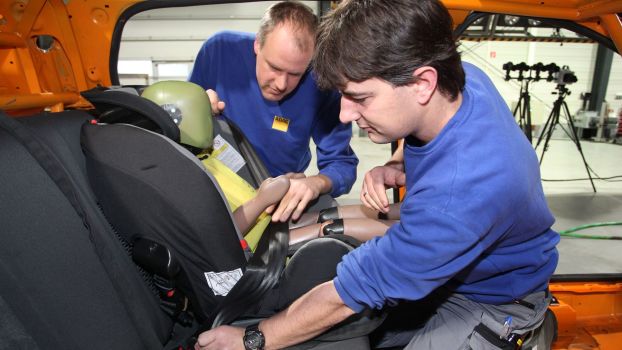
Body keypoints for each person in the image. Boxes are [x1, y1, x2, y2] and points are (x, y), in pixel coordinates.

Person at [195, 0, 560, 349]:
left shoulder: (463, 191)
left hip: (491, 302)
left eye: (361, 98)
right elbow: (426, 132)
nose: (344, 115)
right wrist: (397, 164)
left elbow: (349, 293)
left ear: (422, 84)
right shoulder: (464, 81)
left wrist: (253, 339)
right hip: (448, 275)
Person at [141, 80, 394, 248]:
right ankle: (413, 238)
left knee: (327, 213)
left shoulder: (207, 155)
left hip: (264, 224)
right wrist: (262, 199)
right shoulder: (178, 176)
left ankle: (408, 216)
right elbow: (216, 235)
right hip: (251, 248)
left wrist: (279, 186)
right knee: (329, 228)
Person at [188, 1, 358, 223]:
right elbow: (180, 122)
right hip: (213, 187)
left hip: (276, 203)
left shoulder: (322, 85)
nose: (281, 83)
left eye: (296, 74)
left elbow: (342, 164)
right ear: (258, 44)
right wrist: (199, 107)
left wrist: (315, 183)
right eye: (275, 68)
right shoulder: (218, 51)